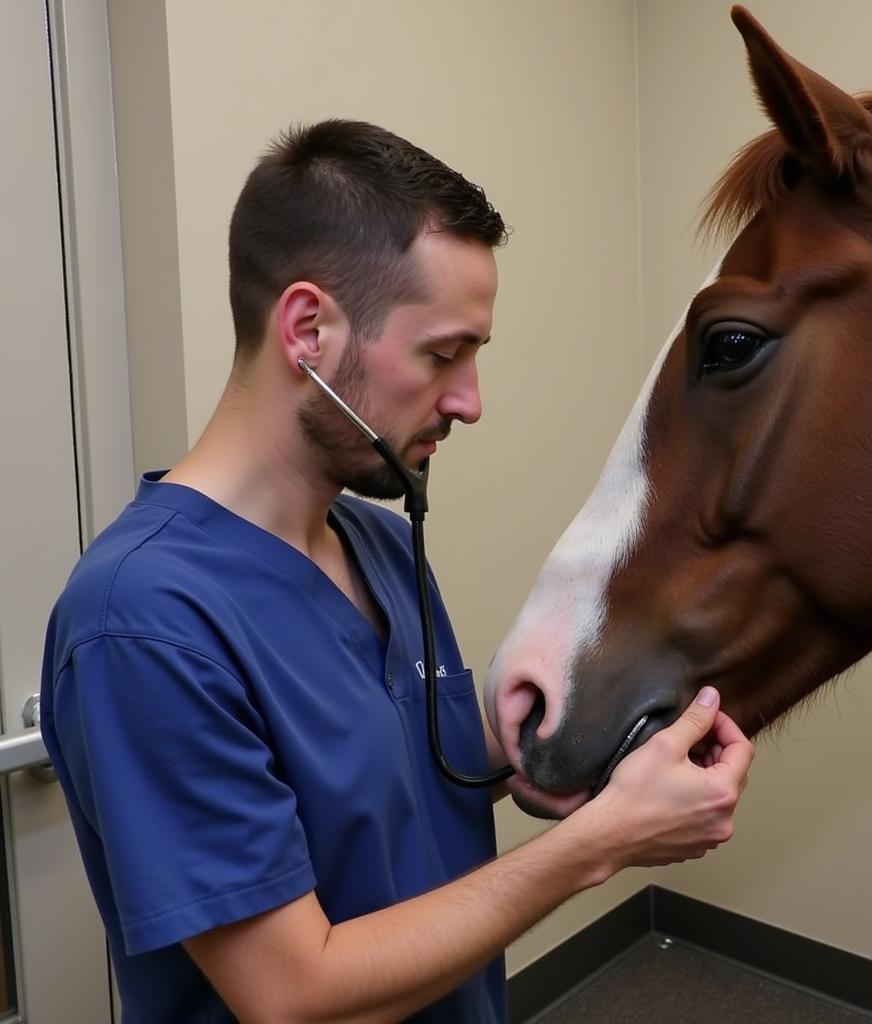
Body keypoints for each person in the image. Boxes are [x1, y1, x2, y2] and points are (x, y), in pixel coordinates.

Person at [41, 119, 754, 1024]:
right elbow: (296, 995)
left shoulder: (375, 541)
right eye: (443, 354)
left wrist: (619, 736)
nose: (470, 402)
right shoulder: (142, 622)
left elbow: (421, 770)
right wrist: (603, 844)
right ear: (308, 329)